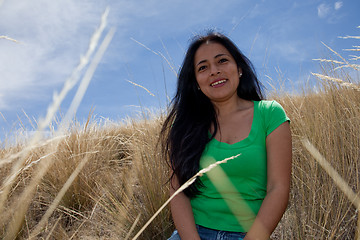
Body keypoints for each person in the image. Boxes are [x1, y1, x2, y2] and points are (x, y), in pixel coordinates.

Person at [160, 31, 292, 240]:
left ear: (239, 68)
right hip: (192, 233)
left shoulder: (270, 114)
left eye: (222, 61)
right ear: (195, 81)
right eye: (203, 67)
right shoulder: (185, 124)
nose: (214, 71)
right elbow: (178, 190)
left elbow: (278, 188)